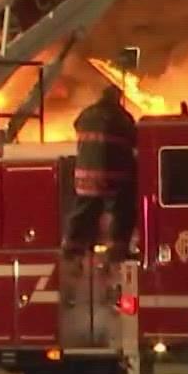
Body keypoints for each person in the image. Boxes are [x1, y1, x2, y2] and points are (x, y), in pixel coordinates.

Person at [66, 85, 139, 260]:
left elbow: (76, 126)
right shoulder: (122, 118)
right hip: (113, 177)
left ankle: (72, 248)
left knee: (85, 211)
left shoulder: (86, 114)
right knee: (123, 210)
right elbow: (135, 139)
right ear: (117, 99)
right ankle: (117, 249)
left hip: (84, 178)